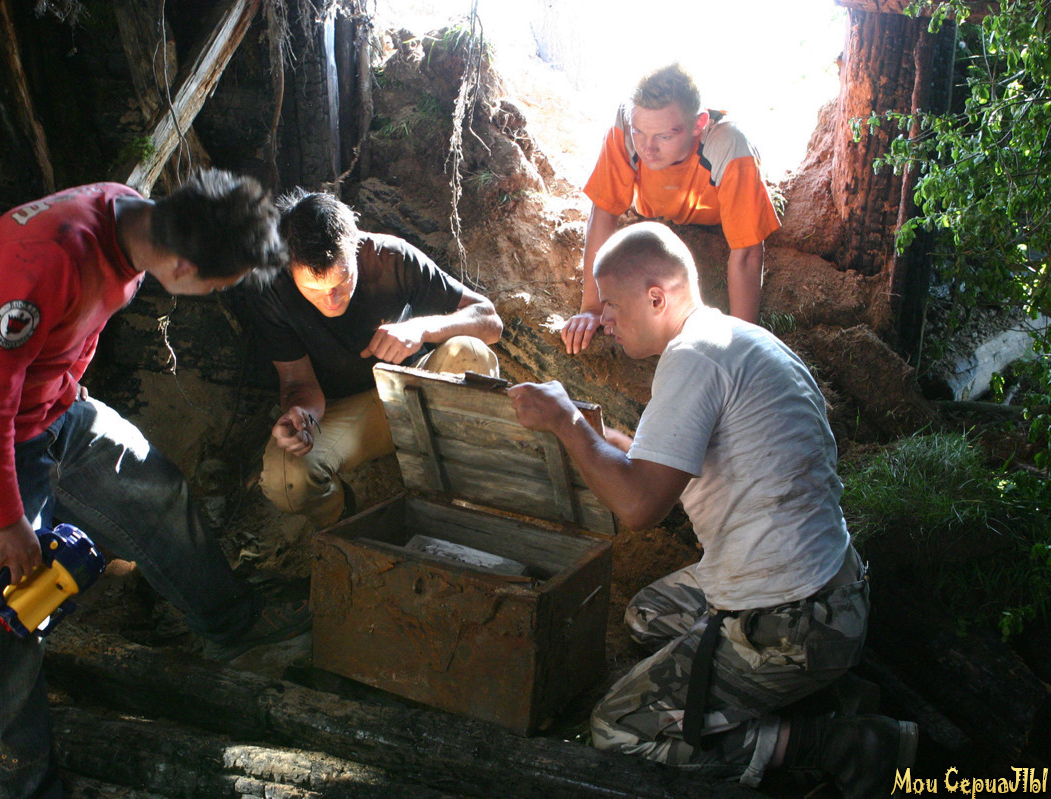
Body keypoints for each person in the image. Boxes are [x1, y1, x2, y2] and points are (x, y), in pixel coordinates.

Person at [0, 169, 312, 799]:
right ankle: (15, 791)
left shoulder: (132, 220)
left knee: (154, 489)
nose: (216, 294)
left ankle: (233, 627)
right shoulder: (47, 258)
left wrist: (67, 388)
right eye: (218, 285)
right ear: (181, 264)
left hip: (49, 404)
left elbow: (72, 328)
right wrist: (4, 519)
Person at [509, 222, 916, 798]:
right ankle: (806, 691)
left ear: (657, 297)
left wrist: (566, 422)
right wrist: (595, 436)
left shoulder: (694, 359)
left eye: (611, 304)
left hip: (793, 618)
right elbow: (656, 462)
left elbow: (639, 506)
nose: (604, 319)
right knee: (647, 615)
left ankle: (839, 744)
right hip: (830, 589)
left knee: (616, 729)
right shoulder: (733, 340)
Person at [238, 190, 503, 528]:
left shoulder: (390, 257)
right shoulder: (271, 289)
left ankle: (468, 483)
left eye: (342, 281)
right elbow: (298, 382)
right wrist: (301, 416)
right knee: (286, 478)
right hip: (349, 412)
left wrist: (420, 329)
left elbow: (490, 321)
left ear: (356, 247)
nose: (332, 300)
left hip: (416, 389)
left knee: (470, 353)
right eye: (315, 291)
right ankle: (346, 525)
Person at [561, 62, 780, 354]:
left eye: (664, 136)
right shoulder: (626, 125)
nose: (647, 148)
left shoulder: (730, 145)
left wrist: (741, 345)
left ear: (699, 124)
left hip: (715, 221)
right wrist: (591, 307)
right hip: (653, 212)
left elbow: (748, 254)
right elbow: (604, 210)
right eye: (640, 132)